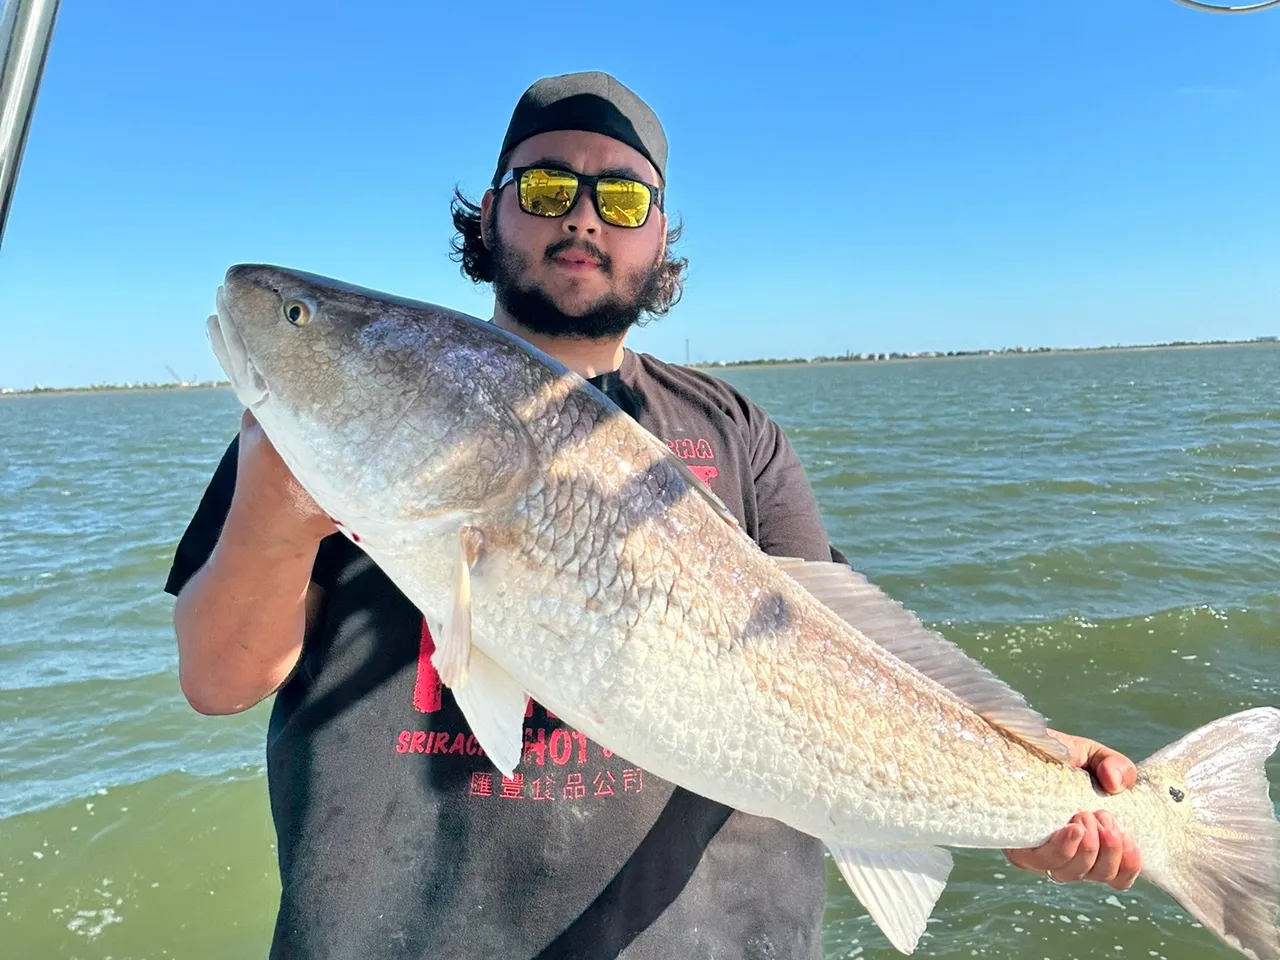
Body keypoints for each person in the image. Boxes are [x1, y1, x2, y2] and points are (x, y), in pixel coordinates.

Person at [165, 71, 1142, 960]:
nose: (582, 218)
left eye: (620, 197)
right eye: (546, 187)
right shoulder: (315, 435)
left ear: (659, 233)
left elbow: (848, 658)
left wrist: (1027, 771)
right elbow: (220, 679)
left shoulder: (736, 429)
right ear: (492, 208)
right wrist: (281, 505)